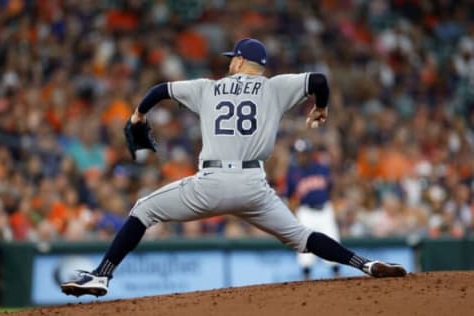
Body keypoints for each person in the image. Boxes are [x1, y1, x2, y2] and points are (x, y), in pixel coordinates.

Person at [61, 38, 406, 297]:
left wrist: (138, 114)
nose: (230, 63)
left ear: (241, 61)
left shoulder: (206, 89)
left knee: (144, 209)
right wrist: (321, 108)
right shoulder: (275, 88)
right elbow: (319, 80)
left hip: (211, 182)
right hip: (254, 187)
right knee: (302, 237)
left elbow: (159, 90)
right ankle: (365, 264)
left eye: (233, 59)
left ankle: (102, 274)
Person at [286, 139, 341, 280]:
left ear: (310, 154)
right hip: (306, 212)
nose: (302, 156)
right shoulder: (292, 173)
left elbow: (331, 187)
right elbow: (290, 197)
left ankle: (336, 274)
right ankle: (306, 276)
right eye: (299, 154)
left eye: (304, 153)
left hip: (325, 210)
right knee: (305, 245)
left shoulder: (322, 168)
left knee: (332, 240)